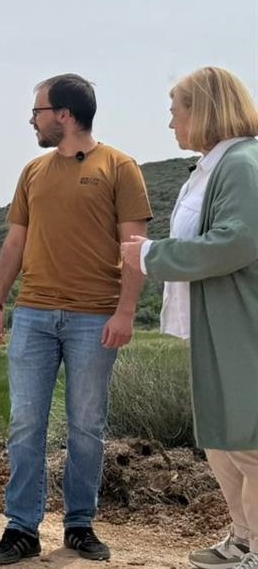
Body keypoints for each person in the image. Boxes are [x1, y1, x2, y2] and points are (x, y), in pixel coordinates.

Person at [0, 73, 152, 564]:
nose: (31, 121)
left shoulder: (120, 167)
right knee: (25, 423)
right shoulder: (33, 172)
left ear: (64, 115)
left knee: (86, 426)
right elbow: (14, 242)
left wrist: (125, 312)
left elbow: (134, 249)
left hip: (93, 318)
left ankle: (79, 525)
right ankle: (21, 530)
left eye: (37, 111)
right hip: (33, 314)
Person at [121, 66, 258, 569]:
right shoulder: (215, 166)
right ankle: (243, 540)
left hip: (242, 319)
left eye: (175, 111)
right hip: (217, 318)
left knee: (247, 436)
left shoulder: (243, 164)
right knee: (224, 436)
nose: (170, 124)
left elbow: (237, 241)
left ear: (204, 112)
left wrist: (152, 256)